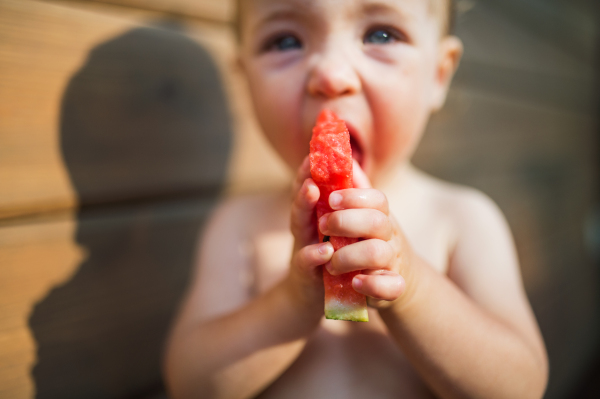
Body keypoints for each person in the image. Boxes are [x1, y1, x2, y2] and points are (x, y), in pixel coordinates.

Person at [164, 0, 549, 398]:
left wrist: (412, 286)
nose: (331, 75)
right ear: (247, 82)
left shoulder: (462, 219)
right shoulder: (239, 226)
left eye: (381, 34)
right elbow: (191, 385)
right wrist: (292, 303)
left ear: (438, 75)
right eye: (285, 40)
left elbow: (520, 387)